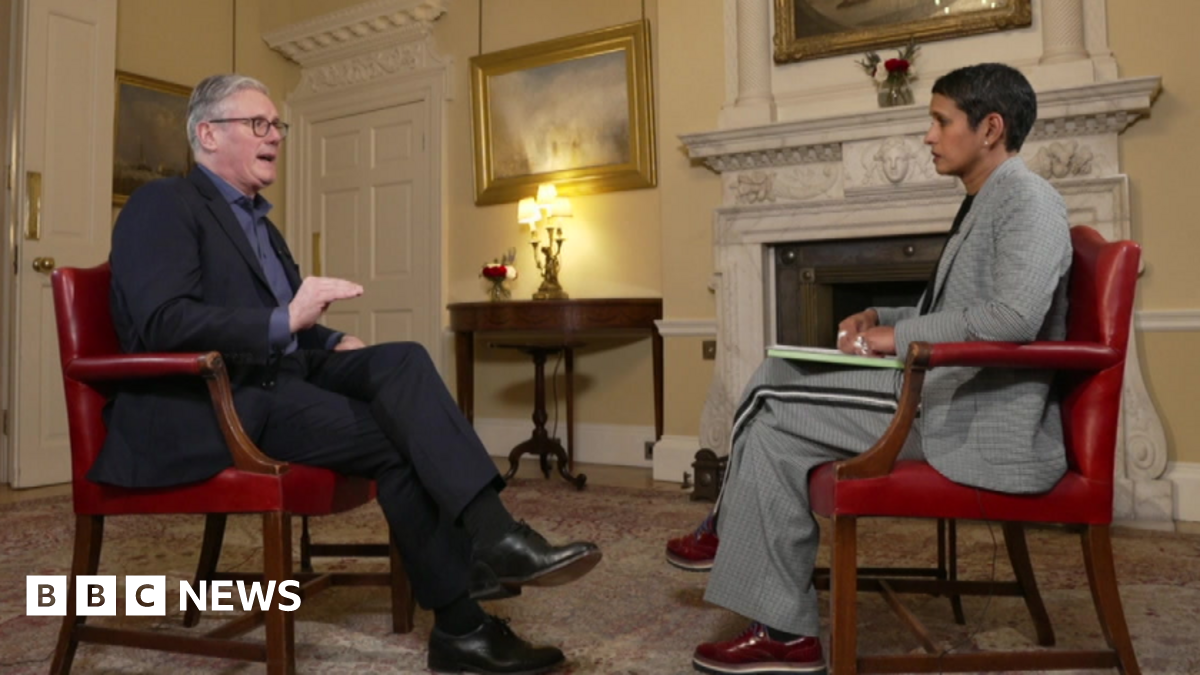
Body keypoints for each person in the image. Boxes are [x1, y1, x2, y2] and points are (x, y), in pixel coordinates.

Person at [100, 73, 600, 675]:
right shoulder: (164, 204)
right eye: (257, 124)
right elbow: (162, 320)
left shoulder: (260, 223)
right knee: (397, 439)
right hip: (212, 399)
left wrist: (333, 338)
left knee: (403, 361)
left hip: (278, 379)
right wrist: (286, 321)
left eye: (277, 125)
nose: (275, 136)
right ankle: (466, 617)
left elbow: (290, 323)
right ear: (207, 134)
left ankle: (494, 540)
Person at [669, 63, 1072, 675]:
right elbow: (964, 311)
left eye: (941, 122)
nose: (929, 136)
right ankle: (757, 582)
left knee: (772, 415)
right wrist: (880, 313)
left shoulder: (1028, 200)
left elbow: (1013, 317)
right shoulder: (988, 200)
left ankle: (776, 618)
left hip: (965, 412)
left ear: (991, 128)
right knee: (776, 373)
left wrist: (897, 336)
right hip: (945, 387)